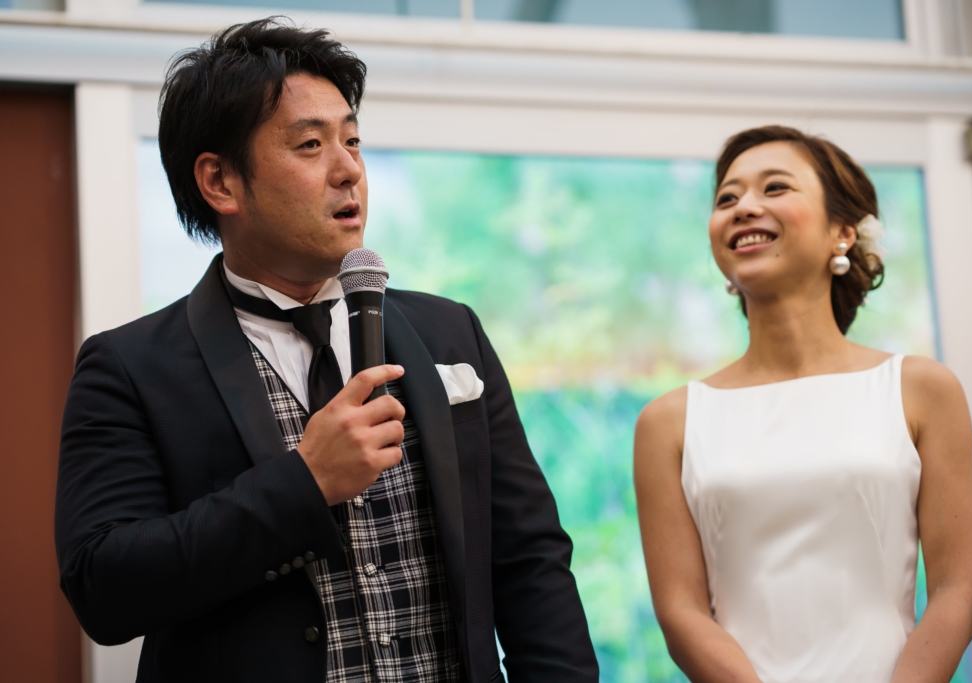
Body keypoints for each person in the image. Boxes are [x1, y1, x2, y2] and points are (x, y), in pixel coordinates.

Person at [56, 19, 598, 683]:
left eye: (352, 140)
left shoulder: (450, 332)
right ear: (220, 182)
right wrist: (304, 482)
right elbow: (104, 587)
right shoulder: (130, 367)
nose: (349, 170)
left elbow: (529, 560)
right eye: (311, 145)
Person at [634, 126, 972, 683]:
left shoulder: (921, 389)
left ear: (842, 233)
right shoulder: (668, 422)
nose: (744, 207)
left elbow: (956, 590)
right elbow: (681, 612)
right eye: (727, 198)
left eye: (775, 188)